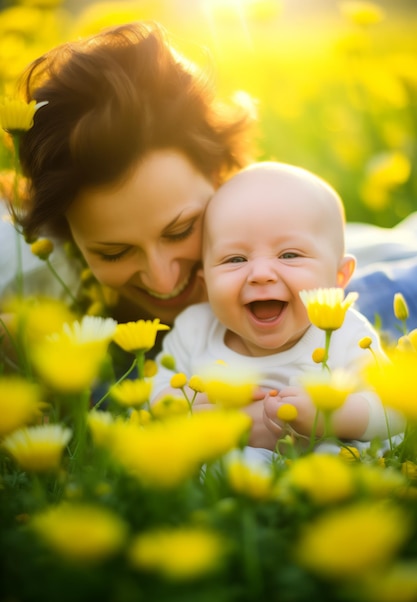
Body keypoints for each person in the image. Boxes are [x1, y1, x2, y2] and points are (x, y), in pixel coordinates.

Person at [6, 20, 255, 327]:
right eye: (114, 253)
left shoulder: (303, 252)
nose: (162, 281)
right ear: (67, 232)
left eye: (181, 231)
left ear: (216, 173)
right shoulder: (25, 292)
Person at [151, 162, 404, 454]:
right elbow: (156, 396)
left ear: (338, 278)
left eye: (289, 254)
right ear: (205, 283)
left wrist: (334, 416)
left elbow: (393, 410)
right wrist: (181, 407)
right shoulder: (194, 330)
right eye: (235, 259)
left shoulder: (346, 333)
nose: (260, 273)